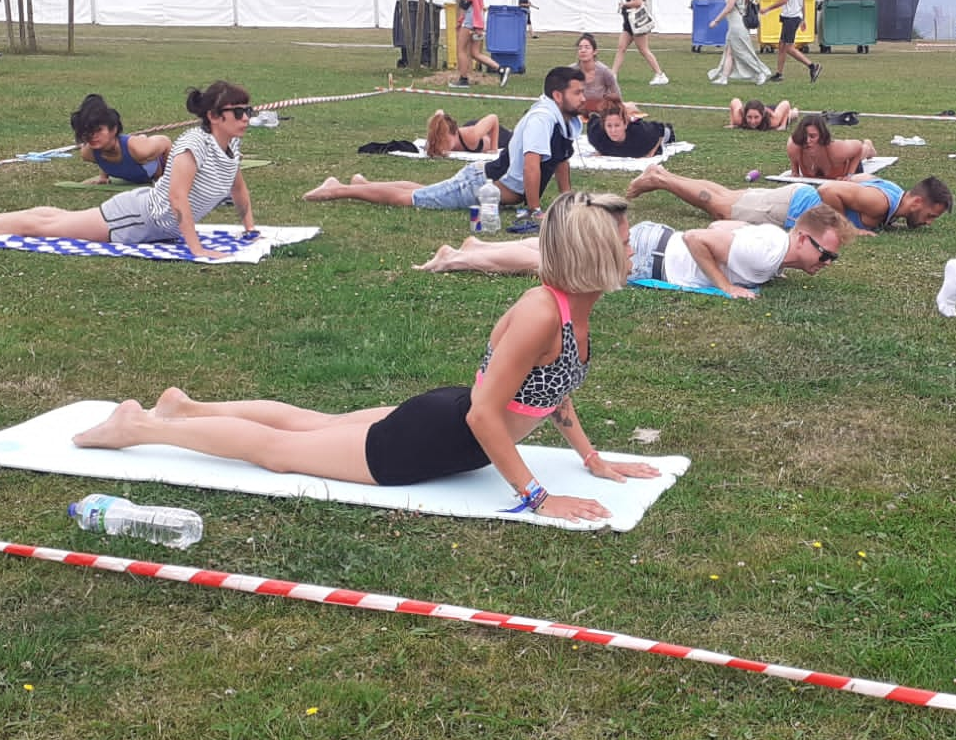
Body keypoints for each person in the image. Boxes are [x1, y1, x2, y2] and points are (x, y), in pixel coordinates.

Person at [73, 193, 661, 523]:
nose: (633, 247)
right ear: (593, 251)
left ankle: (187, 407)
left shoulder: (569, 307)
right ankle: (143, 425)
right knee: (280, 453)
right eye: (625, 239)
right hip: (431, 439)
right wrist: (538, 498)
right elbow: (487, 414)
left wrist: (589, 457)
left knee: (313, 423)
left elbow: (549, 389)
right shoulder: (542, 311)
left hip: (445, 421)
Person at [0, 81, 255, 260]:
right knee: (48, 228)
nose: (246, 118)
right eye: (238, 112)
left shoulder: (230, 147)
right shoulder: (194, 145)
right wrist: (197, 248)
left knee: (60, 218)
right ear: (214, 116)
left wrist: (249, 227)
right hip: (137, 217)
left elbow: (237, 188)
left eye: (248, 111)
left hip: (148, 220)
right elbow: (177, 199)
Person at [415, 205, 853, 301]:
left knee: (557, 250)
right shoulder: (767, 253)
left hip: (652, 243)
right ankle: (456, 259)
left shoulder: (772, 241)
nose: (826, 264)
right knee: (552, 263)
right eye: (825, 254)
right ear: (802, 238)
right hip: (650, 256)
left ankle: (477, 246)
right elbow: (701, 237)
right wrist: (727, 287)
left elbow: (723, 228)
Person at [305, 67, 583, 214]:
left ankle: (364, 185)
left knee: (426, 190)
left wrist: (566, 199)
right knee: (410, 199)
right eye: (577, 93)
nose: (583, 98)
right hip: (479, 185)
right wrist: (534, 211)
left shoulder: (564, 120)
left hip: (481, 182)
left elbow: (560, 161)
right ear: (558, 96)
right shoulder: (542, 119)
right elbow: (531, 166)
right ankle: (337, 189)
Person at [628, 167, 951, 233]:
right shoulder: (881, 203)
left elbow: (857, 179)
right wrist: (842, 227)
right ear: (918, 202)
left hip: (792, 197)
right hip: (791, 208)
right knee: (720, 207)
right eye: (931, 215)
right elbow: (829, 191)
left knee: (726, 195)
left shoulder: (893, 195)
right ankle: (661, 181)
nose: (928, 222)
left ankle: (663, 174)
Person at [71, 94, 171, 186]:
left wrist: (168, 177)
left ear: (113, 129)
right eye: (86, 131)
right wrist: (103, 177)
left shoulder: (139, 148)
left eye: (98, 130)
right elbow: (103, 156)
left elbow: (166, 142)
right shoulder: (89, 153)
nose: (92, 136)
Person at [455, 0, 513, 88]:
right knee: (475, 53)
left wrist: (477, 25)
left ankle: (463, 79)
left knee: (461, 49)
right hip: (474, 18)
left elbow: (476, 5)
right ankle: (501, 69)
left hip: (472, 19)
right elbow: (475, 5)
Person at [708, 0, 772, 86]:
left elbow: (729, 7)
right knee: (729, 52)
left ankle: (760, 72)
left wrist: (716, 20)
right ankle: (724, 77)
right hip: (738, 24)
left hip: (736, 26)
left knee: (742, 52)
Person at [611, 0, 669, 86]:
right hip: (628, 25)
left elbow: (638, 2)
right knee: (621, 48)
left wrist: (624, 4)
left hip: (636, 24)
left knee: (644, 50)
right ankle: (613, 74)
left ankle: (660, 74)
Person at [767, 0, 821, 83]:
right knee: (781, 45)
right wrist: (803, 19)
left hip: (791, 18)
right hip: (791, 17)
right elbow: (802, 1)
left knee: (788, 47)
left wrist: (768, 8)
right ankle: (779, 74)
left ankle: (813, 66)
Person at [787, 115, 876, 179]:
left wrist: (850, 176)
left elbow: (858, 146)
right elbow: (794, 171)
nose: (807, 141)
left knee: (863, 150)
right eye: (803, 136)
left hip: (846, 163)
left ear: (822, 135)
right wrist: (795, 172)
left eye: (812, 136)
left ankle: (868, 146)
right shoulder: (794, 146)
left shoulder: (836, 150)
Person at [585, 102, 673, 159]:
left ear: (625, 125)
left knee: (667, 132)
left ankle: (629, 107)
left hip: (661, 132)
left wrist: (650, 152)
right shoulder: (596, 135)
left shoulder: (640, 133)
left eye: (617, 126)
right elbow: (592, 118)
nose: (613, 131)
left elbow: (660, 129)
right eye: (609, 126)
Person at [572, 32, 631, 117]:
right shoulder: (571, 71)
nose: (583, 50)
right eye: (580, 48)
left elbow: (617, 95)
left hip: (601, 113)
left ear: (595, 51)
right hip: (577, 112)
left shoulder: (604, 71)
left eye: (587, 47)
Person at [425, 110, 509, 157]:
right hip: (470, 128)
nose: (443, 146)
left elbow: (493, 118)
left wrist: (494, 149)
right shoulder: (438, 137)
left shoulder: (472, 136)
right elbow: (439, 113)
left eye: (446, 141)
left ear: (453, 133)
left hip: (496, 135)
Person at [729, 98, 795, 131]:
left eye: (756, 117)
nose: (753, 121)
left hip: (773, 110)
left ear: (762, 115)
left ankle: (794, 110)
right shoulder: (738, 119)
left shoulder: (773, 121)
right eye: (749, 117)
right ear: (745, 115)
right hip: (761, 109)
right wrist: (732, 123)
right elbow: (734, 101)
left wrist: (783, 126)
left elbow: (786, 104)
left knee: (792, 115)